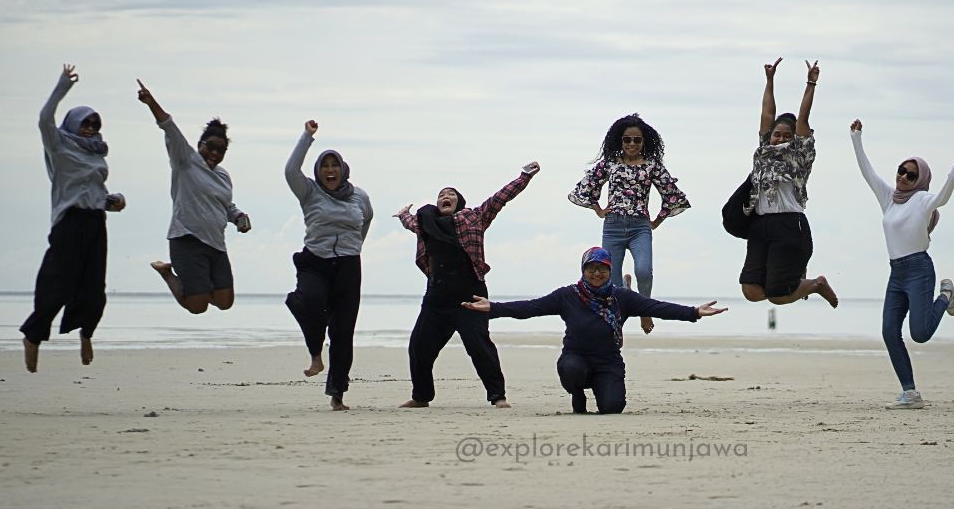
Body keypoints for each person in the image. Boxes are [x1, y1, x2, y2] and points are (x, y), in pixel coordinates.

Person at [463, 247, 726, 414]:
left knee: (612, 408)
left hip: (608, 362)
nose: (597, 273)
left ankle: (601, 391)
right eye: (591, 268)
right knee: (571, 369)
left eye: (602, 268)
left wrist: (693, 312)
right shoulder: (568, 295)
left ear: (609, 271)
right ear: (583, 270)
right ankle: (578, 395)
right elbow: (530, 307)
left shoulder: (623, 298)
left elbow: (658, 307)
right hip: (575, 357)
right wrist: (494, 308)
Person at [394, 161, 539, 409]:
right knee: (419, 347)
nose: (445, 197)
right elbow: (410, 223)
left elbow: (499, 199)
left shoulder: (475, 218)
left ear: (459, 202)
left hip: (470, 299)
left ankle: (497, 396)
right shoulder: (425, 222)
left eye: (451, 194)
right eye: (441, 195)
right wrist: (404, 214)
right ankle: (421, 397)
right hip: (437, 300)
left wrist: (524, 176)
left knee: (479, 347)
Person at [850, 119, 954, 410]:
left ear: (920, 180)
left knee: (921, 334)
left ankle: (945, 296)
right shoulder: (889, 198)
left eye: (910, 175)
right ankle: (910, 393)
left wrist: (953, 177)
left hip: (919, 271)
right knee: (890, 332)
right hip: (896, 273)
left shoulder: (923, 200)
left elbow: (943, 198)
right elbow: (867, 172)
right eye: (901, 170)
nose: (903, 177)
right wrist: (856, 137)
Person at [21, 64, 126, 372]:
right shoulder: (59, 146)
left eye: (95, 123)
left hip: (95, 222)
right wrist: (62, 86)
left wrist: (112, 201)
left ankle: (86, 333)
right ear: (74, 123)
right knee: (59, 284)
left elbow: (93, 192)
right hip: (68, 223)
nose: (91, 128)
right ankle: (33, 336)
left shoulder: (97, 154)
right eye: (86, 123)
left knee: (94, 287)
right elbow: (43, 120)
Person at [568, 113, 690, 335]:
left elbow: (673, 195)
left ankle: (645, 310)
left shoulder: (652, 166)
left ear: (644, 142)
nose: (632, 144)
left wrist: (657, 220)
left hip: (639, 226)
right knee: (609, 280)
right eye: (627, 139)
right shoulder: (610, 163)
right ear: (619, 141)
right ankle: (617, 319)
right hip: (613, 226)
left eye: (637, 140)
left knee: (644, 270)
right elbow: (586, 186)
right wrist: (598, 209)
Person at [137, 79, 251, 315]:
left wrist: (238, 216)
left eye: (221, 150)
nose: (215, 154)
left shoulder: (223, 176)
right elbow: (168, 126)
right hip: (187, 240)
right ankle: (167, 273)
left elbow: (226, 205)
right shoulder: (186, 161)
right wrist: (151, 102)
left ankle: (198, 284)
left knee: (225, 302)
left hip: (216, 244)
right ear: (200, 144)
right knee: (197, 307)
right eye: (211, 147)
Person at [284, 120, 374, 411]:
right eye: (325, 165)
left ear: (343, 169)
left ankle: (338, 394)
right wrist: (307, 137)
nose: (330, 170)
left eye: (335, 165)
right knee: (309, 301)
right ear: (318, 171)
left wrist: (354, 246)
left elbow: (367, 219)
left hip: (348, 266)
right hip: (315, 262)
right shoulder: (309, 191)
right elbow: (290, 171)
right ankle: (314, 353)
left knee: (342, 331)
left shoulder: (359, 196)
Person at [738, 58, 838, 306]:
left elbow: (803, 118)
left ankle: (816, 284)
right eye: (776, 134)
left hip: (789, 224)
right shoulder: (764, 150)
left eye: (787, 135)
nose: (780, 138)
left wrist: (810, 83)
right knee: (751, 291)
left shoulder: (800, 156)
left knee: (778, 296)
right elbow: (767, 113)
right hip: (760, 224)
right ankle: (799, 281)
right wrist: (770, 81)